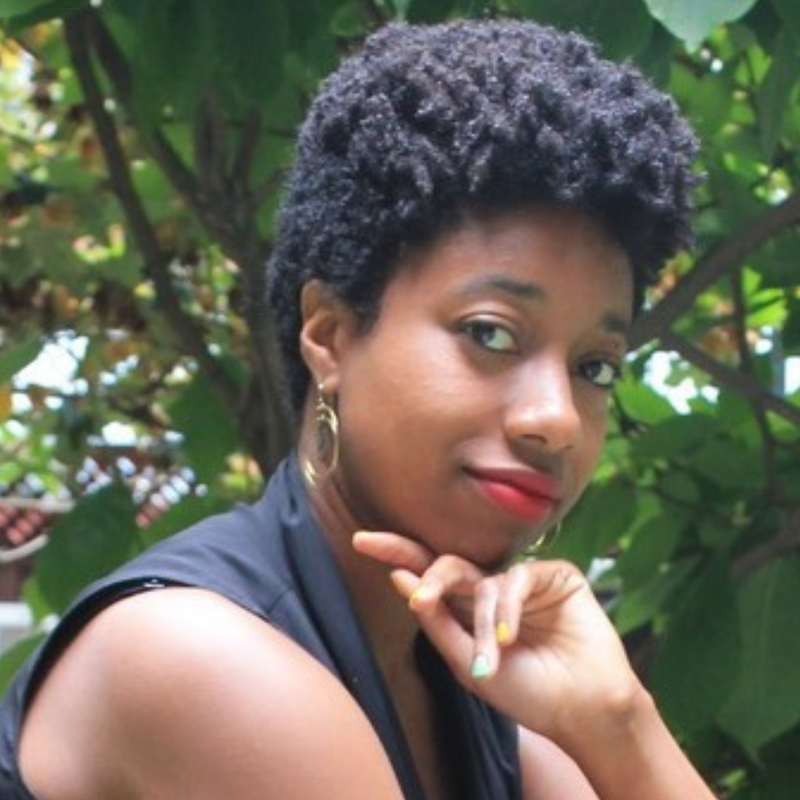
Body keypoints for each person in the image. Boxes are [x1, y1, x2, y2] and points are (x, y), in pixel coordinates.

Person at [0, 18, 714, 800]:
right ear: (330, 335)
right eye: (491, 333)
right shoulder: (204, 659)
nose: (558, 418)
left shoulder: (469, 685)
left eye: (594, 367)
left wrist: (619, 722)